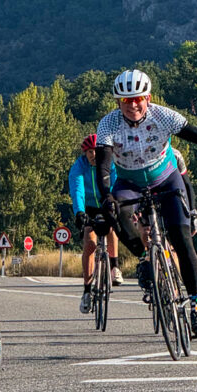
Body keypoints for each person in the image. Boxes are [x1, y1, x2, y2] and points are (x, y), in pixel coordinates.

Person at [95, 69, 197, 338]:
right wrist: (106, 197)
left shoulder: (163, 116)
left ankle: (196, 309)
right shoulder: (108, 125)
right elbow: (102, 168)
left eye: (138, 98)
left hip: (166, 179)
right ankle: (144, 257)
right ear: (118, 102)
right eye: (126, 100)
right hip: (130, 182)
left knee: (183, 241)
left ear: (148, 97)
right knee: (117, 213)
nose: (133, 105)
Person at [69, 134, 121, 314]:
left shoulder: (110, 163)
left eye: (96, 151)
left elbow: (116, 185)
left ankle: (114, 267)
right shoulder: (79, 166)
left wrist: (115, 204)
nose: (93, 155)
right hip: (89, 207)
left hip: (107, 203)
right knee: (90, 243)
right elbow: (77, 190)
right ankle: (86, 290)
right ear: (85, 153)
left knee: (112, 228)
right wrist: (79, 212)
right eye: (89, 151)